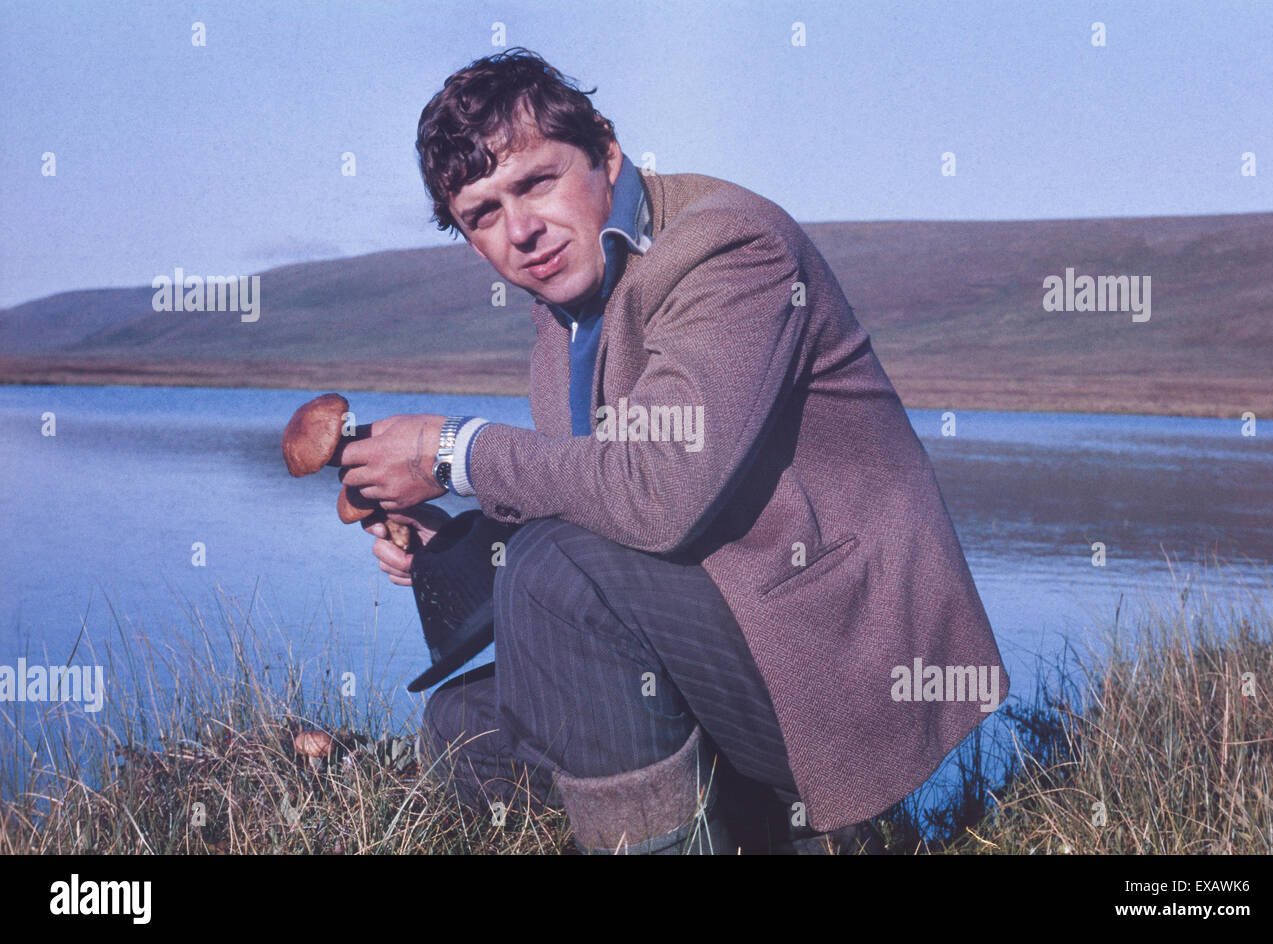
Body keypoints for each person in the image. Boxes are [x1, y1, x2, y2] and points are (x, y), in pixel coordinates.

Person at [339, 47, 1009, 854]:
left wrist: (453, 450)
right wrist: (459, 551)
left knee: (558, 576)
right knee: (463, 726)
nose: (520, 230)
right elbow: (595, 508)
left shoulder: (725, 247)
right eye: (483, 215)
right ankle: (748, 834)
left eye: (536, 181)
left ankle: (835, 829)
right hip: (729, 630)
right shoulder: (563, 317)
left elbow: (657, 492)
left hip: (838, 668)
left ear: (607, 154)